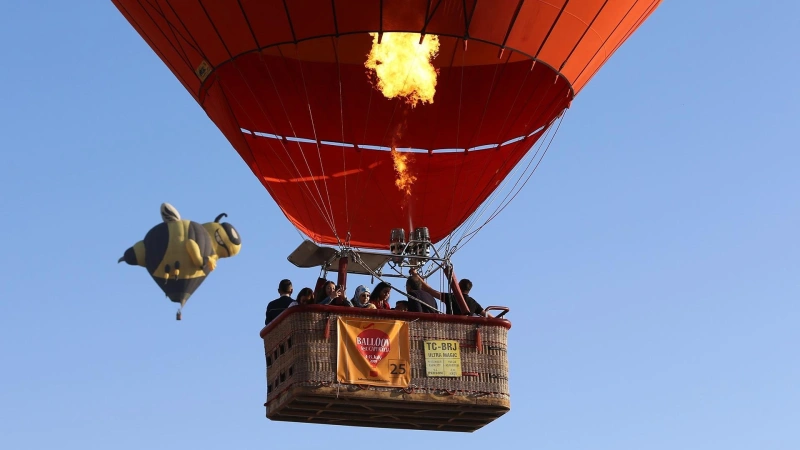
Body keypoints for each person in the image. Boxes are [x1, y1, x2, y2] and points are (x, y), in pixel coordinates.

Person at [409, 269, 492, 317]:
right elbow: (487, 315)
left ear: (458, 287)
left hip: (451, 329)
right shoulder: (473, 302)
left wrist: (415, 275)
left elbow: (430, 290)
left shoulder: (451, 297)